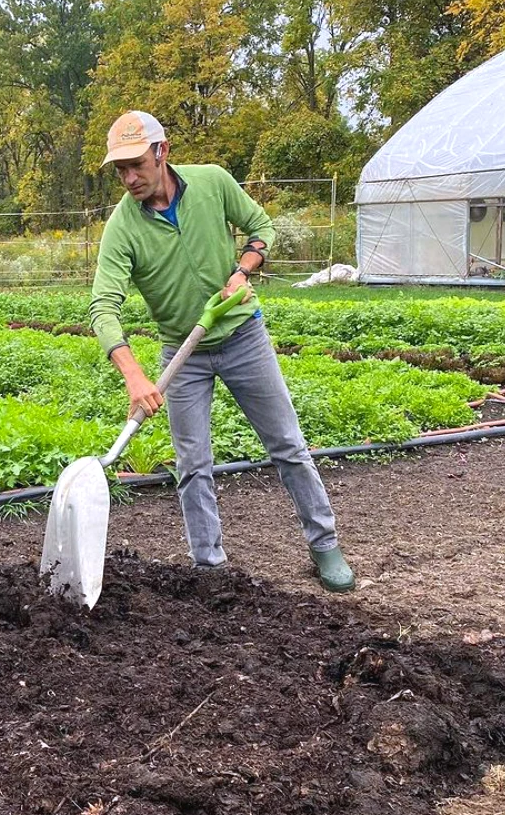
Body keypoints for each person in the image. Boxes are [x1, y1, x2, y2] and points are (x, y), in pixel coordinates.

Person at [89, 110, 355, 592]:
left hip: (242, 336)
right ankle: (209, 568)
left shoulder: (212, 183)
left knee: (288, 447)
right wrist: (133, 374)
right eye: (119, 170)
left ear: (161, 152)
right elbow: (103, 306)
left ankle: (325, 546)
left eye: (136, 165)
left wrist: (243, 269)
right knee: (192, 465)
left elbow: (260, 227)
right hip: (182, 354)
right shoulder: (123, 227)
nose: (129, 178)